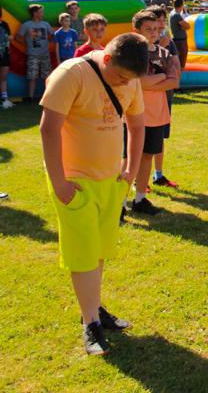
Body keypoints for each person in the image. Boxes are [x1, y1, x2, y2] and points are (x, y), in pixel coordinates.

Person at [40, 32, 149, 355]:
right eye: (118, 77)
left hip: (111, 179)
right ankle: (90, 324)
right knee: (83, 252)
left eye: (127, 81)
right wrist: (59, 181)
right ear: (106, 58)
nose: (121, 84)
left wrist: (129, 169)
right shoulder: (71, 74)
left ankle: (95, 307)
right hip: (74, 181)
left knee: (99, 250)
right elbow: (48, 128)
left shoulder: (130, 78)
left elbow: (137, 124)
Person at [128, 10, 179, 216]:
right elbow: (135, 83)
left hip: (158, 114)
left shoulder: (164, 53)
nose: (154, 32)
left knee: (148, 155)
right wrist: (161, 77)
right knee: (129, 159)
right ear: (136, 31)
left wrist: (151, 81)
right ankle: (121, 203)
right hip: (134, 115)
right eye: (148, 29)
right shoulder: (131, 54)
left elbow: (174, 81)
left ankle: (140, 199)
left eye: (156, 28)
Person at [151, 6, 182, 190]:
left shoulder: (169, 42)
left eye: (163, 21)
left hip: (165, 95)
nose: (161, 24)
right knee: (143, 139)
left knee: (160, 137)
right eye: (157, 21)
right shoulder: (141, 43)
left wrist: (172, 78)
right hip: (148, 99)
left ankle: (158, 175)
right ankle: (140, 180)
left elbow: (176, 66)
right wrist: (160, 46)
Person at [15, 4, 54, 102]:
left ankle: (48, 97)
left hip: (45, 54)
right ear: (35, 13)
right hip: (32, 55)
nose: (43, 14)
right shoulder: (27, 25)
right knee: (32, 76)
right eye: (41, 12)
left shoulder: (45, 24)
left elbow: (54, 35)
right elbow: (18, 37)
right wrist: (27, 43)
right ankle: (30, 97)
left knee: (47, 76)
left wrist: (48, 41)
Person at [168, 0, 190, 70]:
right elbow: (187, 26)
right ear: (181, 5)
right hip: (180, 41)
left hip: (178, 39)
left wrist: (182, 26)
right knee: (181, 62)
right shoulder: (176, 15)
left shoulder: (172, 13)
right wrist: (183, 26)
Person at [0, 7, 10, 108]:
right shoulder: (4, 24)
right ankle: (4, 100)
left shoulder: (4, 24)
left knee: (3, 78)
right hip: (4, 54)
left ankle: (4, 100)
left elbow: (9, 37)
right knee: (3, 78)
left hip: (4, 54)